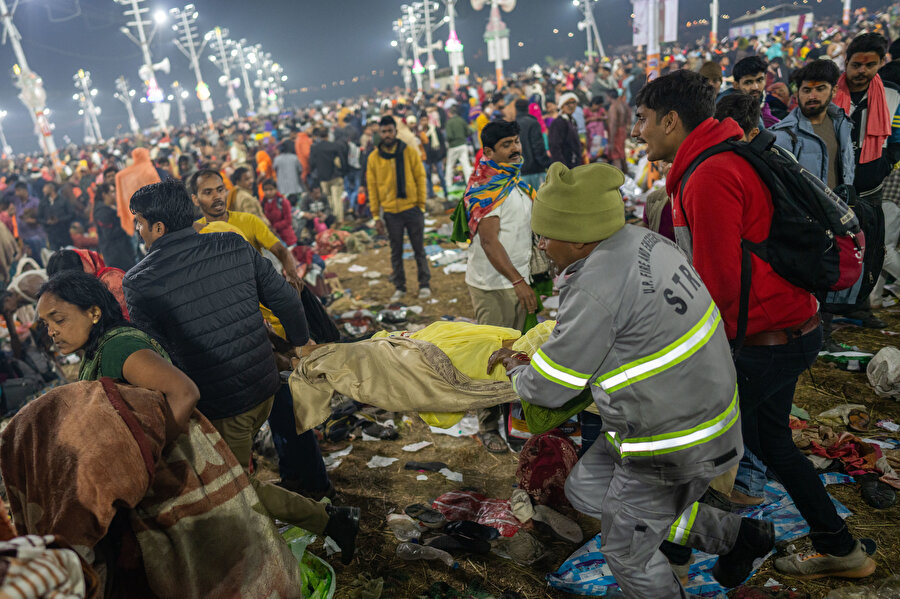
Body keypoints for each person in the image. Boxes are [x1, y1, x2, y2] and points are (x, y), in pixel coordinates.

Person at [487, 161, 774, 599]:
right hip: (694, 413)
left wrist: (517, 367)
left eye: (546, 235)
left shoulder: (595, 287)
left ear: (580, 236)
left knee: (626, 552)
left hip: (673, 441)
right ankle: (738, 537)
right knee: (586, 488)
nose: (542, 245)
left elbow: (551, 386)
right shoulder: (643, 241)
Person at [634, 69, 876, 580]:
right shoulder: (720, 158)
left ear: (672, 120)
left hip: (762, 341)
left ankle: (677, 564)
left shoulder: (710, 175)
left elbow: (719, 287)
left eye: (643, 120)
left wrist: (687, 360)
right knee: (773, 444)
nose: (638, 132)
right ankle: (842, 548)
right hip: (792, 328)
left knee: (690, 450)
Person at [123, 179, 360, 563]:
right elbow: (287, 299)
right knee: (239, 476)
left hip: (219, 402)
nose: (138, 231)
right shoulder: (233, 244)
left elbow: (157, 355)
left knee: (235, 489)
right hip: (265, 384)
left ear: (158, 228)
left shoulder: (139, 280)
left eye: (139, 223)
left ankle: (330, 521)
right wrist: (300, 346)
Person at [463, 121, 537, 454]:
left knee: (516, 354)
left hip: (517, 279)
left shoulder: (514, 182)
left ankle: (512, 422)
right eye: (507, 144)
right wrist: (518, 282)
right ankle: (487, 425)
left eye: (516, 141)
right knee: (492, 357)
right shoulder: (487, 187)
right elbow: (490, 243)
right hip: (495, 285)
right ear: (488, 152)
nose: (516, 148)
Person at [192, 170, 303, 290]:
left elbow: (281, 251)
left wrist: (292, 275)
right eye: (208, 193)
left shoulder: (249, 221)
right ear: (196, 200)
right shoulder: (195, 233)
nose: (217, 196)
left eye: (220, 190)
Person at [364, 116, 430, 301]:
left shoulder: (409, 151)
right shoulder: (374, 158)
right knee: (396, 252)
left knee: (419, 249)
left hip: (412, 209)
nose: (387, 135)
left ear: (395, 132)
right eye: (383, 132)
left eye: (390, 131)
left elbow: (420, 177)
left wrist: (421, 205)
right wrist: (376, 216)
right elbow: (373, 187)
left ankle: (424, 284)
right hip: (391, 213)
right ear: (380, 133)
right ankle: (400, 287)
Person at [722, 56, 779, 128]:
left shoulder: (764, 103)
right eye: (748, 82)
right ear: (736, 85)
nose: (755, 87)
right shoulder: (728, 112)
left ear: (765, 79)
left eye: (759, 80)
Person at [93, 182, 137, 271]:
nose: (115, 194)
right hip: (117, 255)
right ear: (104, 194)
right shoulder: (102, 212)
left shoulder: (112, 206)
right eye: (112, 192)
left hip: (124, 250)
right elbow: (109, 234)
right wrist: (126, 226)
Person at [309, 127, 347, 224]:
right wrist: (342, 172)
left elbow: (312, 163)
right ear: (328, 135)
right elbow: (342, 161)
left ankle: (331, 219)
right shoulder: (335, 146)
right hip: (335, 176)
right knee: (337, 198)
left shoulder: (315, 148)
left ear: (318, 136)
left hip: (323, 178)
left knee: (328, 199)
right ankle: (339, 219)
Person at [515, 99, 551, 190]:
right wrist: (547, 163)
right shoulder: (533, 123)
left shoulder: (512, 125)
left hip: (521, 172)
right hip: (536, 170)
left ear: (516, 109)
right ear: (527, 108)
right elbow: (538, 147)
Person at [11, 182, 46, 265]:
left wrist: (32, 221)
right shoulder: (17, 204)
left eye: (18, 191)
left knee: (41, 261)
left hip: (36, 237)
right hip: (24, 239)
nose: (16, 193)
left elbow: (42, 218)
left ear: (24, 190)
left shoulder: (35, 202)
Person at [38, 181, 75, 251]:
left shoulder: (63, 200)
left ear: (51, 188)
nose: (43, 189)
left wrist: (59, 220)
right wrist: (47, 222)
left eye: (45, 187)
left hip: (64, 233)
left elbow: (72, 214)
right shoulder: (43, 202)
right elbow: (39, 217)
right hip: (51, 235)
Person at [261, 178, 298, 247]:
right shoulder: (262, 204)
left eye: (271, 189)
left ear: (276, 189)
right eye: (265, 190)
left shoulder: (283, 202)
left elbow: (288, 220)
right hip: (272, 238)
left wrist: (275, 227)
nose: (268, 192)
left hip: (287, 238)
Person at [549, 92, 582, 168]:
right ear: (562, 106)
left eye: (574, 103)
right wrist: (563, 168)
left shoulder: (572, 121)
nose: (571, 106)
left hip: (573, 164)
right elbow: (555, 147)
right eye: (568, 103)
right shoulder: (558, 123)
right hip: (565, 165)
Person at [445, 104, 473, 189]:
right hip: (463, 144)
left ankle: (448, 184)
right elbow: (469, 132)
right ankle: (469, 183)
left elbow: (449, 136)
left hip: (453, 146)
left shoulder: (449, 122)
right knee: (466, 164)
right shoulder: (461, 120)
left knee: (450, 165)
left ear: (450, 113)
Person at [606, 89, 632, 172]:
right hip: (623, 130)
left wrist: (611, 140)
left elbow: (613, 123)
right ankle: (626, 172)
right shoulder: (623, 104)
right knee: (621, 153)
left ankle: (619, 179)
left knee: (616, 155)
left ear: (609, 97)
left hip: (617, 132)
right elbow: (629, 117)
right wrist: (627, 130)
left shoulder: (613, 106)